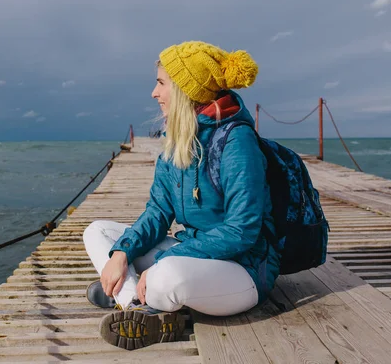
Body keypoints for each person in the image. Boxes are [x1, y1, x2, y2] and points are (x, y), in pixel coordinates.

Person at [83, 41, 281, 350]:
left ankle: (130, 295)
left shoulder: (237, 141)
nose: (154, 92)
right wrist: (122, 254)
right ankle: (138, 305)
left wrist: (163, 260)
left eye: (161, 83)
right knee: (98, 232)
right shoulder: (177, 138)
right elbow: (158, 211)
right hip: (193, 251)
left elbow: (242, 231)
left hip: (244, 270)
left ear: (186, 89)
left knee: (167, 276)